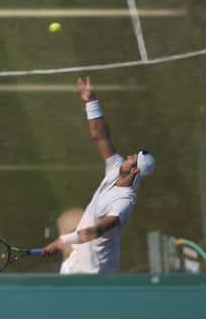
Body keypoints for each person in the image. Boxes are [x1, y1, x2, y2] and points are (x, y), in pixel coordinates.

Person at [42, 76, 156, 274]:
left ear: (135, 170)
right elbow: (100, 137)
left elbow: (96, 231)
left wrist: (62, 241)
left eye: (132, 158)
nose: (128, 156)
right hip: (75, 262)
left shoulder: (123, 203)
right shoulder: (116, 168)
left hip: (96, 273)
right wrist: (90, 101)